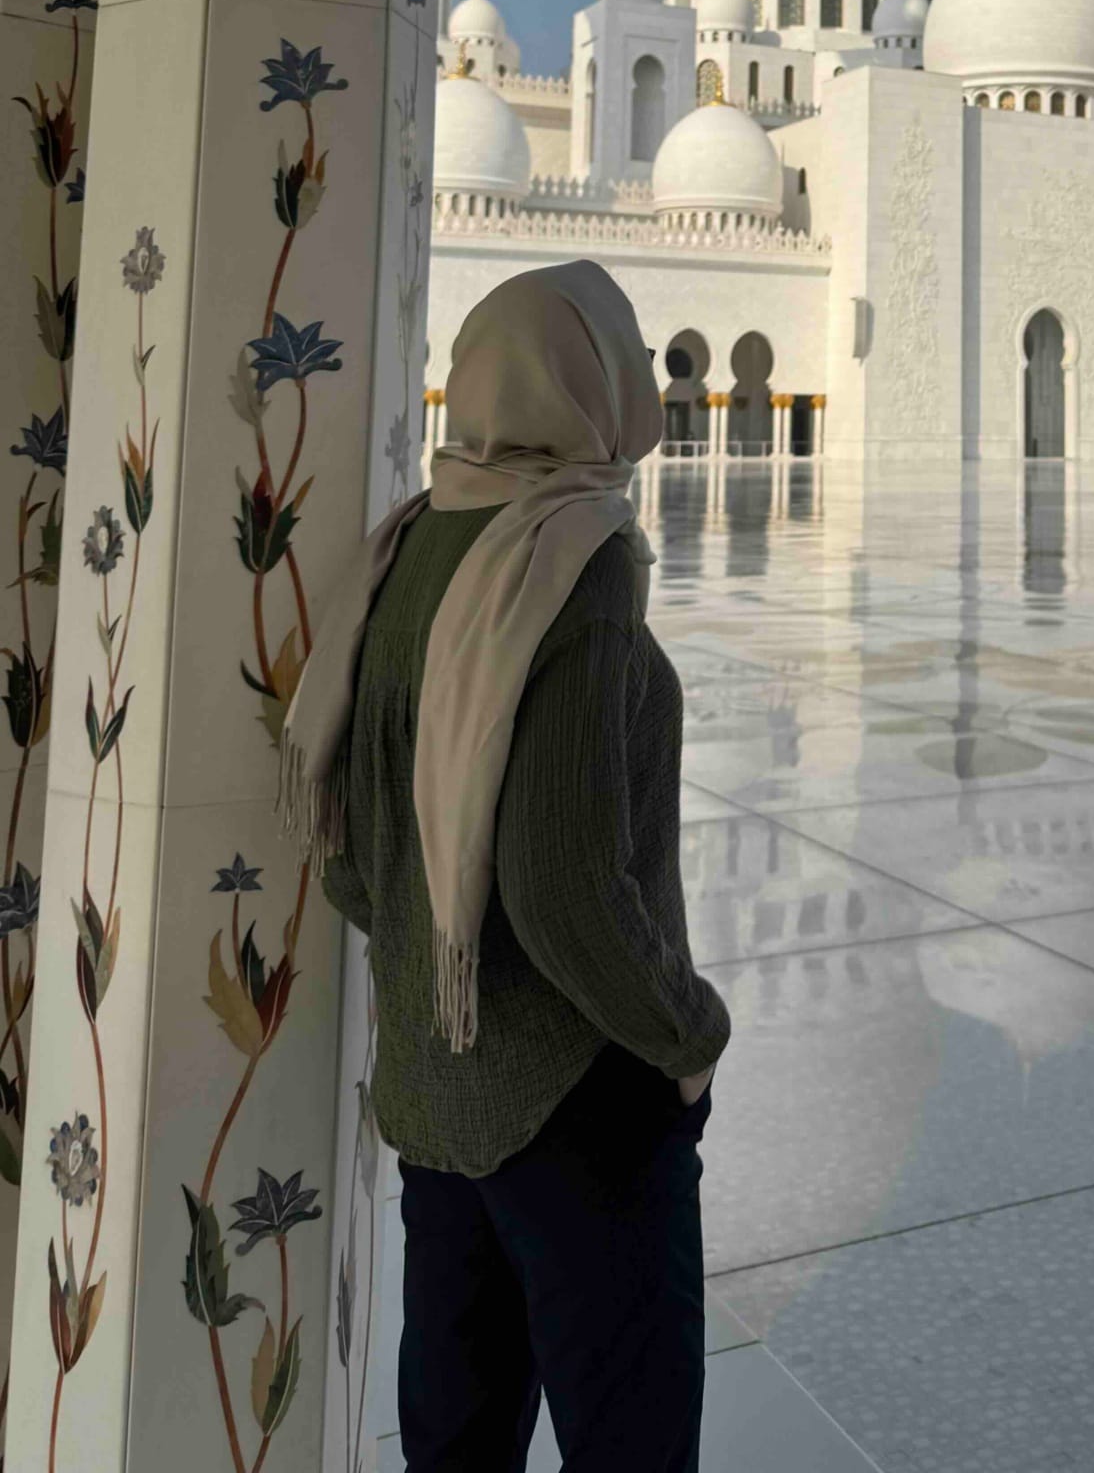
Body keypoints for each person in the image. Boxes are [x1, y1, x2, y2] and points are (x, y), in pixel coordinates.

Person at [281, 257, 730, 1472]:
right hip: (575, 1103)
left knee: (457, 1434)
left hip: (436, 1089)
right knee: (628, 1435)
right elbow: (564, 890)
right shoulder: (571, 565)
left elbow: (353, 858)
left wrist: (444, 974)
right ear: (595, 382)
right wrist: (687, 1035)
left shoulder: (409, 544)